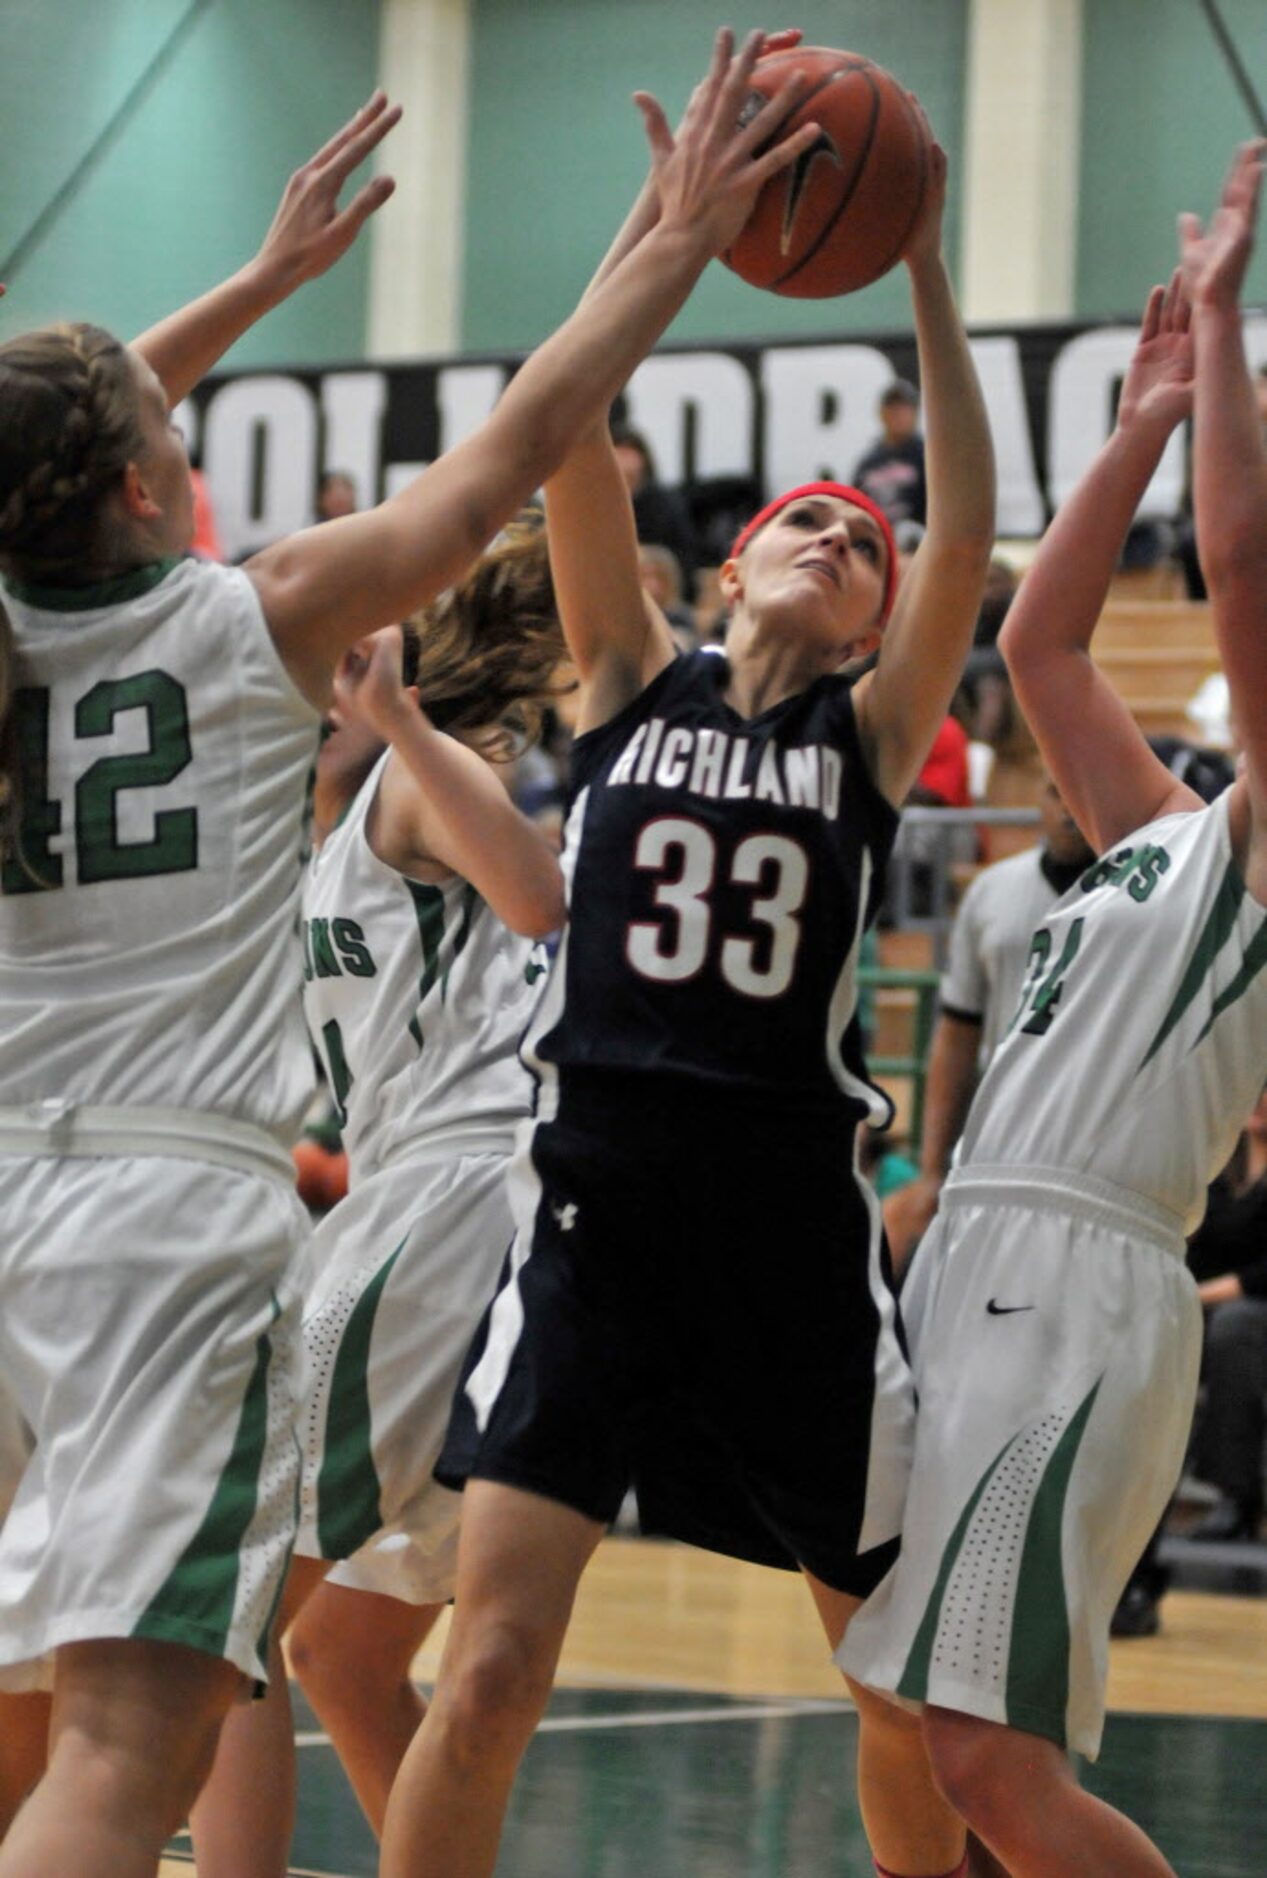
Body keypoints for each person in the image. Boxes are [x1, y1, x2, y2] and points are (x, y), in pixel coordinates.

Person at [0, 42, 823, 1875]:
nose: (185, 449)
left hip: (8, 1190)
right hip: (165, 1227)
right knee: (128, 1741)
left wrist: (255, 289)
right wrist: (673, 237)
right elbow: (528, 443)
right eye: (169, 439)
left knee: (47, 1721)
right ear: (144, 496)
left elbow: (38, 448)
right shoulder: (257, 617)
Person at [378, 88, 995, 1878]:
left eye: (857, 544)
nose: (837, 539)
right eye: (803, 522)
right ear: (727, 564)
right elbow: (567, 421)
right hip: (592, 1225)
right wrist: (652, 221)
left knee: (894, 1696)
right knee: (488, 1665)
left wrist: (931, 264)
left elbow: (958, 524)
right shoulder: (618, 675)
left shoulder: (864, 731)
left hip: (790, 1242)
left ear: (882, 621)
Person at [842, 148, 1267, 1878]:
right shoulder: (1165, 837)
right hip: (978, 1267)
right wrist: (1143, 416)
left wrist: (1226, 331)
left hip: (1084, 1285)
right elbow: (1037, 646)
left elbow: (1238, 568)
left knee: (985, 1762)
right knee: (922, 1725)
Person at [191, 527, 569, 1876]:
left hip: (447, 1211)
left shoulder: (419, 780)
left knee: (217, 1611)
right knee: (341, 1654)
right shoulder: (343, 824)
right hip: (445, 1208)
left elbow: (536, 897)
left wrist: (398, 719)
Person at [1186, 1084, 1267, 1543]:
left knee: (1235, 1331)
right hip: (1209, 1309)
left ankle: (1236, 1497)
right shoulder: (1216, 1169)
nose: (1261, 1101)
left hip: (1250, 1311)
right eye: (1254, 1089)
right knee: (1159, 1333)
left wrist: (1196, 1296)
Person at [852, 377, 928, 528]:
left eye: (904, 408)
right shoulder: (869, 461)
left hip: (918, 540)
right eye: (892, 408)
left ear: (915, 413)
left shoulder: (927, 457)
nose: (898, 414)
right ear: (881, 413)